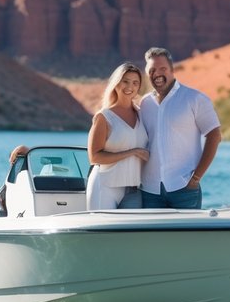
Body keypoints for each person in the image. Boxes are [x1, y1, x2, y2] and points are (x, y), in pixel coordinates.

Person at [138, 47, 221, 210]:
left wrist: (196, 178)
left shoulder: (195, 99)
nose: (157, 74)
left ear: (172, 70)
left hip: (184, 189)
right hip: (149, 190)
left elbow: (215, 136)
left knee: (187, 236)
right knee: (151, 236)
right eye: (152, 70)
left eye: (162, 68)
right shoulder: (145, 103)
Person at [85, 62, 149, 210]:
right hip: (105, 187)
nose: (130, 87)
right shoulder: (104, 117)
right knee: (102, 232)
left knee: (131, 233)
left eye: (135, 83)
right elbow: (94, 157)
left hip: (134, 190)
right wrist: (133, 152)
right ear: (116, 83)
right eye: (125, 81)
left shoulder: (142, 114)